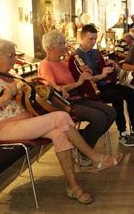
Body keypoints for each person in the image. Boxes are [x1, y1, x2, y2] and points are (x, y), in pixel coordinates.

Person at [0, 39, 120, 204]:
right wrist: (4, 99)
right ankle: (93, 157)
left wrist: (53, 92)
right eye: (11, 55)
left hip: (27, 123)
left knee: (59, 134)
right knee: (62, 116)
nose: (14, 59)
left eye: (14, 55)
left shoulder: (13, 75)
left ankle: (73, 187)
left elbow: (30, 98)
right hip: (4, 128)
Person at [39, 30, 117, 166]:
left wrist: (86, 73)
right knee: (99, 117)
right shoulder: (45, 65)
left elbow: (81, 79)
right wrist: (78, 83)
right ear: (51, 47)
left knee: (110, 112)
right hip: (63, 104)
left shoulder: (66, 63)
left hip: (78, 98)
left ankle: (79, 141)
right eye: (61, 44)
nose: (65, 46)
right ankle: (83, 151)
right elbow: (53, 90)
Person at [68, 24, 134, 147]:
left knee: (131, 92)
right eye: (90, 39)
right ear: (82, 38)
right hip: (90, 90)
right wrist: (102, 75)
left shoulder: (96, 53)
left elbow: (104, 70)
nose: (93, 42)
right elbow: (85, 81)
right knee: (116, 96)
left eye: (95, 39)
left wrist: (113, 67)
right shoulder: (76, 57)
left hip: (104, 84)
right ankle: (122, 132)